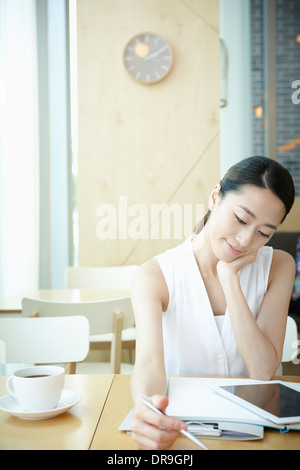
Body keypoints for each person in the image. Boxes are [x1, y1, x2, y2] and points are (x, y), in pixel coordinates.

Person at [130, 156, 296, 450]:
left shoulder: (279, 266)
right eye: (241, 219)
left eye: (264, 233)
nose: (245, 240)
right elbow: (148, 364)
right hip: (183, 433)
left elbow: (261, 370)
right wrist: (148, 410)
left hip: (258, 436)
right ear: (215, 197)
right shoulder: (154, 276)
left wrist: (229, 276)